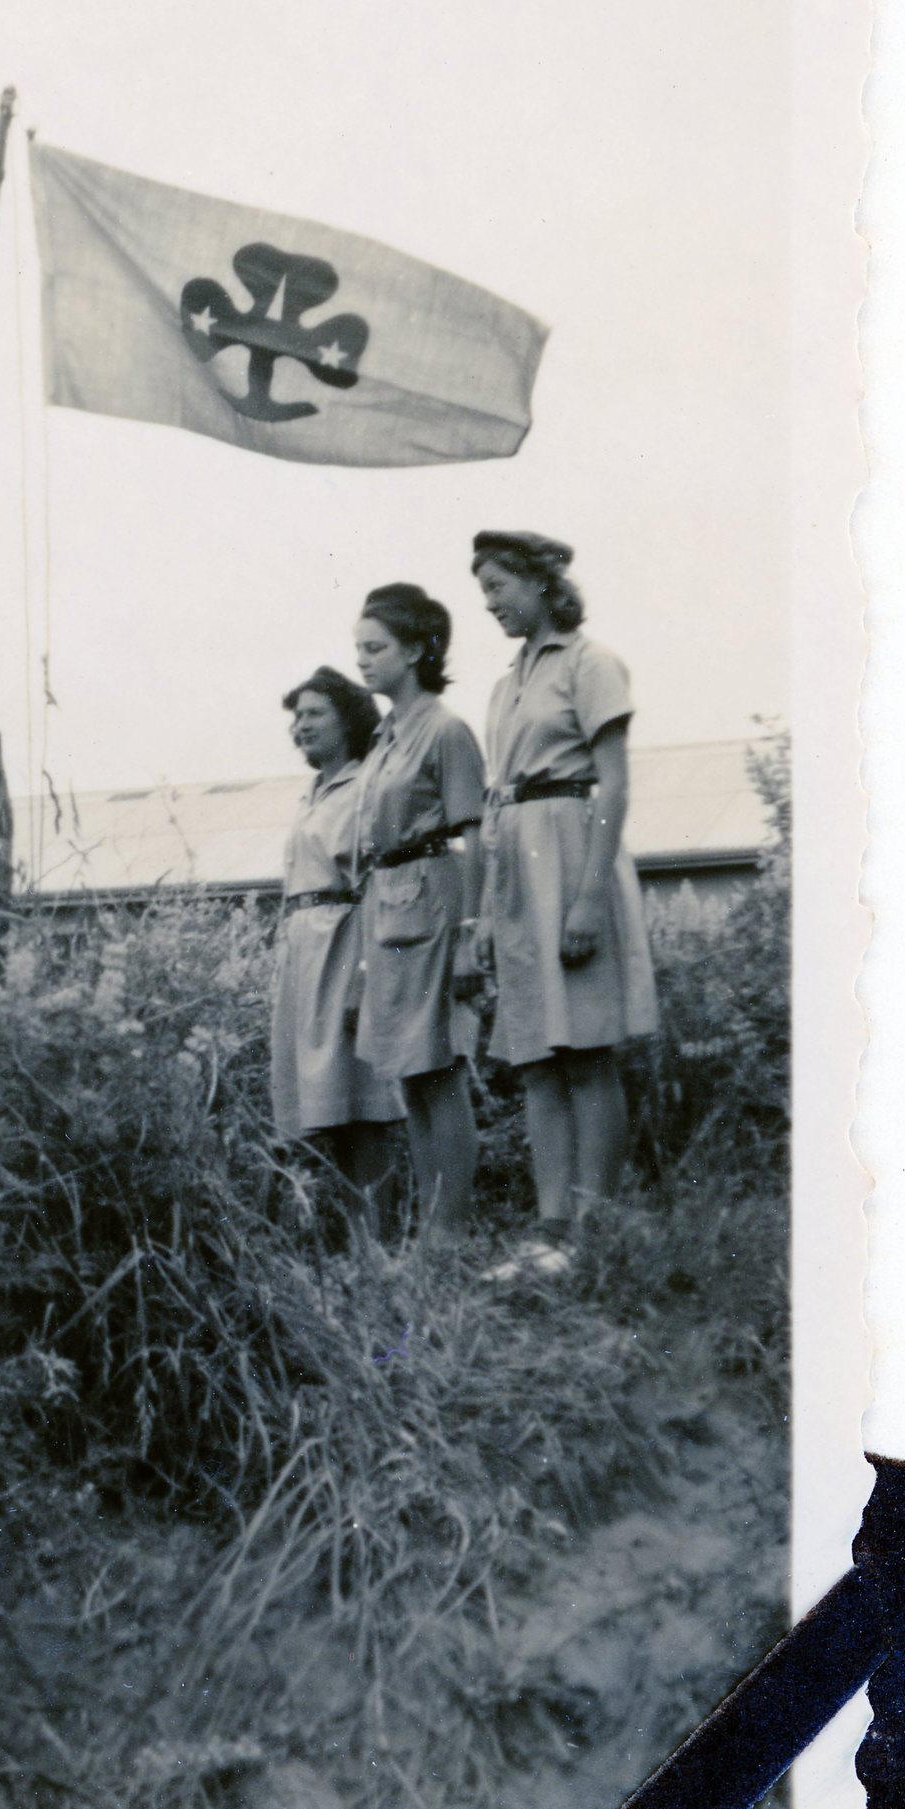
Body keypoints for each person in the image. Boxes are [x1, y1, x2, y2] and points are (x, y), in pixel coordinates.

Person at [471, 529, 659, 1268]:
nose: (490, 604)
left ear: (542, 583)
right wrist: (488, 908)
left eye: (499, 587)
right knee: (535, 1057)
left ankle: (596, 1225)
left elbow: (613, 783)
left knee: (586, 1052)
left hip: (576, 856)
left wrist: (587, 900)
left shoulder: (590, 663)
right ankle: (552, 1228)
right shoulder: (504, 683)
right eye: (483, 591)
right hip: (518, 867)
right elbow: (497, 802)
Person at [349, 585, 486, 1235]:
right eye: (359, 649)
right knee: (408, 1073)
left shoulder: (445, 730)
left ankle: (450, 1234)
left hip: (433, 903)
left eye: (375, 648)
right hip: (388, 911)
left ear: (416, 650)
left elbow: (475, 835)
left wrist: (468, 936)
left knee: (438, 1071)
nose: (363, 661)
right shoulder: (384, 739)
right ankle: (433, 1226)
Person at [269, 664, 405, 1239]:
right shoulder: (314, 794)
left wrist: (365, 976)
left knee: (365, 1103)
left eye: (314, 714)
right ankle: (358, 1248)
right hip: (306, 952)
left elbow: (381, 882)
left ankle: (382, 1245)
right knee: (331, 1106)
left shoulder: (366, 788)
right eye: (296, 717)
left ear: (348, 719)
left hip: (347, 946)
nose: (301, 726)